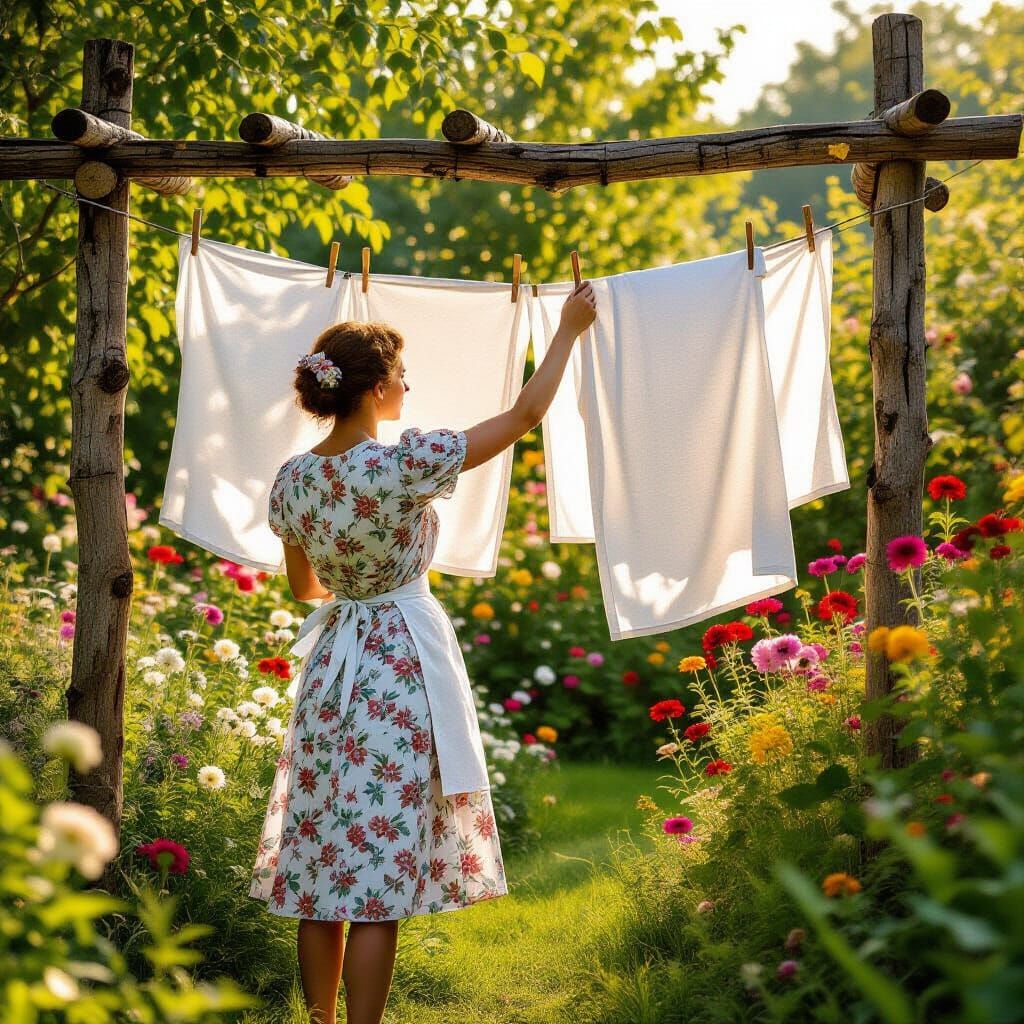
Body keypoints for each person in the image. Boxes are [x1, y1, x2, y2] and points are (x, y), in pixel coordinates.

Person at [249, 279, 596, 1024]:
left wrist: (357, 584)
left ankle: (318, 1022)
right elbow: (527, 414)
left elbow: (304, 589)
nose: (409, 386)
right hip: (396, 669)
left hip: (331, 672)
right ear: (376, 389)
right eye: (403, 375)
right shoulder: (402, 464)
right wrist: (567, 327)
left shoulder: (295, 481)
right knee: (374, 875)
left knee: (320, 862)